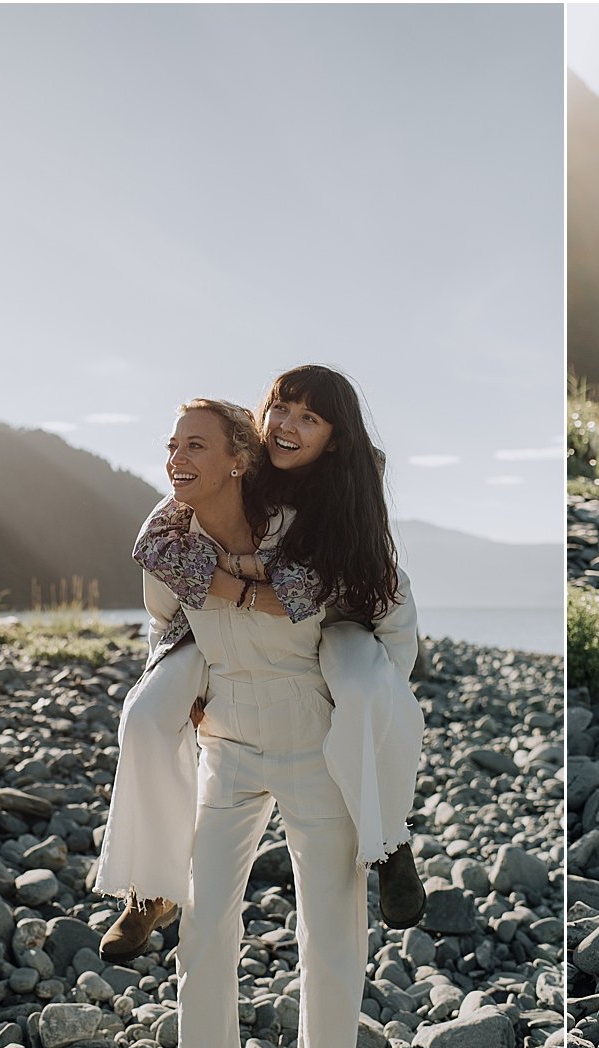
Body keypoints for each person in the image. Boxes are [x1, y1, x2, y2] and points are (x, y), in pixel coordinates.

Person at [93, 368, 427, 965]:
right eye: (281, 408)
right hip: (210, 632)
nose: (288, 426)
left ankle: (390, 840)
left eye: (309, 418)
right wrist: (223, 592)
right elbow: (155, 545)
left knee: (365, 690)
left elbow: (314, 589)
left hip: (348, 619)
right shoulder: (238, 465)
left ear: (336, 436)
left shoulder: (350, 489)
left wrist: (242, 582)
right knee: (143, 715)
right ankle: (149, 888)